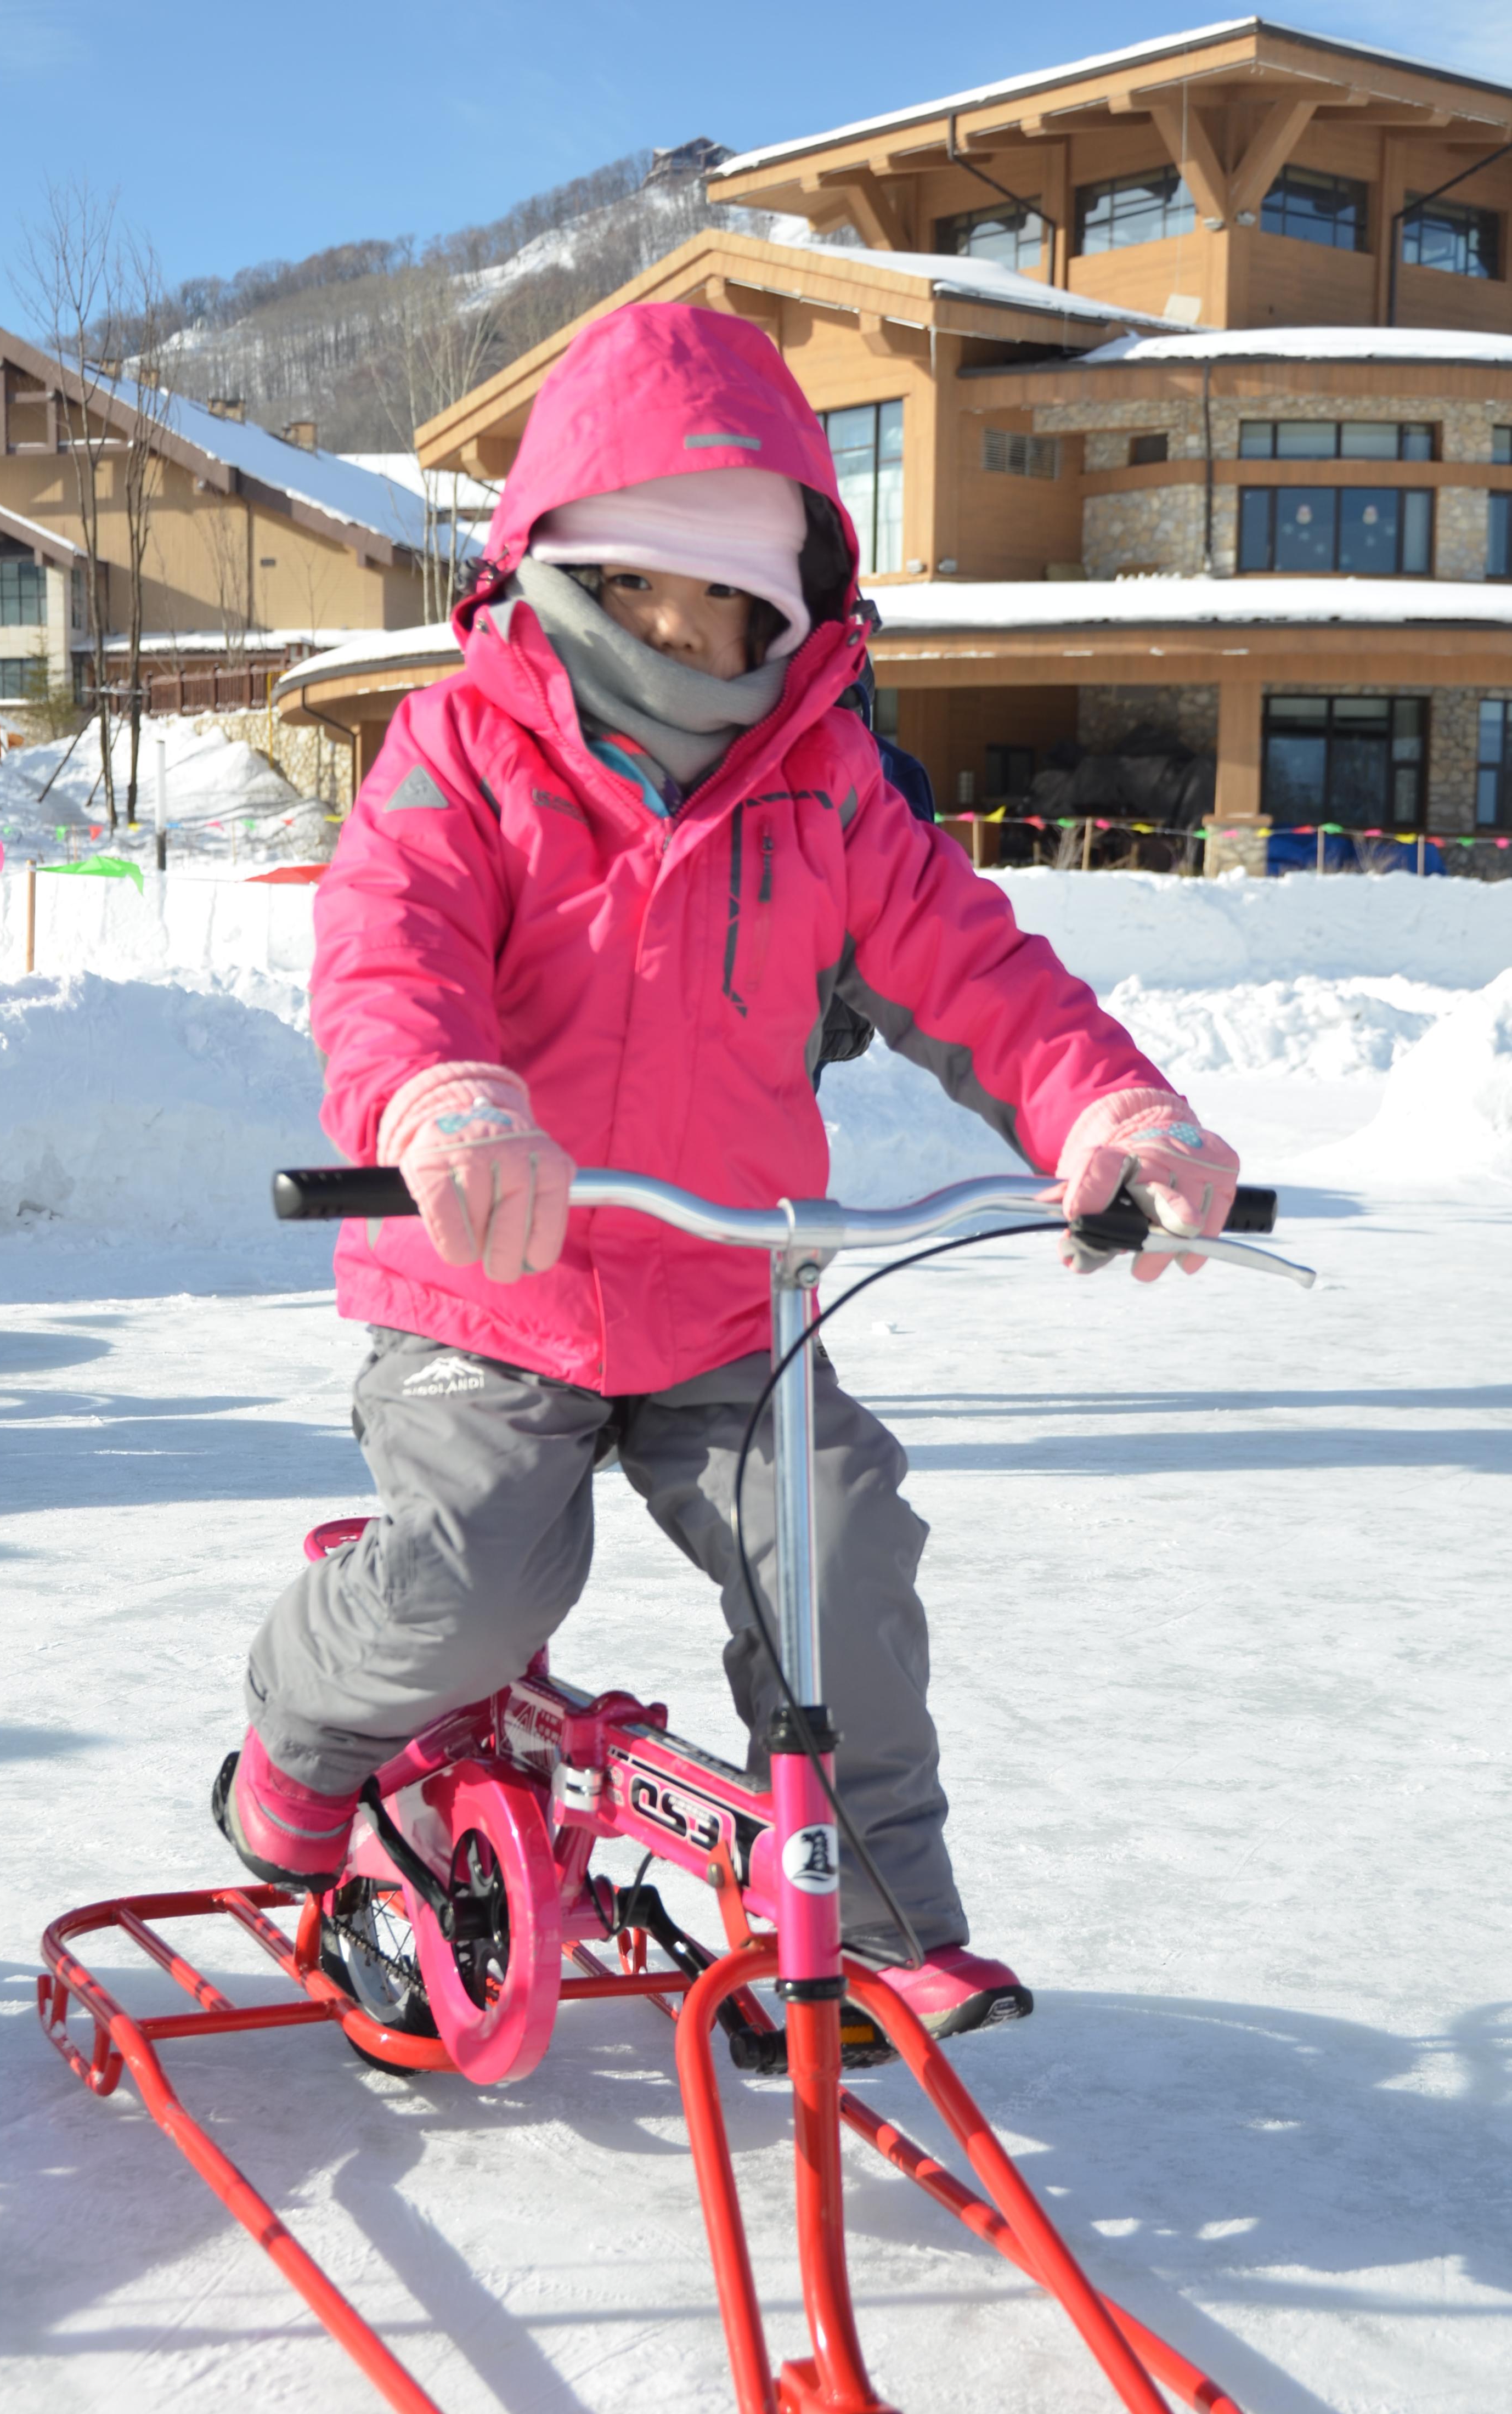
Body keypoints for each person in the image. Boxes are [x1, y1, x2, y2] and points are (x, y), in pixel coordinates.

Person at [213, 303, 1238, 2037]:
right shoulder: (462, 754)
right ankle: (297, 1748)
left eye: (749, 606)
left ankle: (882, 1919)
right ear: (578, 570)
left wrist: (1113, 1119)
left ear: (798, 605)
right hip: (489, 1281)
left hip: (717, 1292)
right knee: (477, 1580)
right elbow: (389, 953)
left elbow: (982, 977)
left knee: (838, 1544)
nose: (710, 637)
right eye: (669, 593)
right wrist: (445, 1100)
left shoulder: (830, 788)